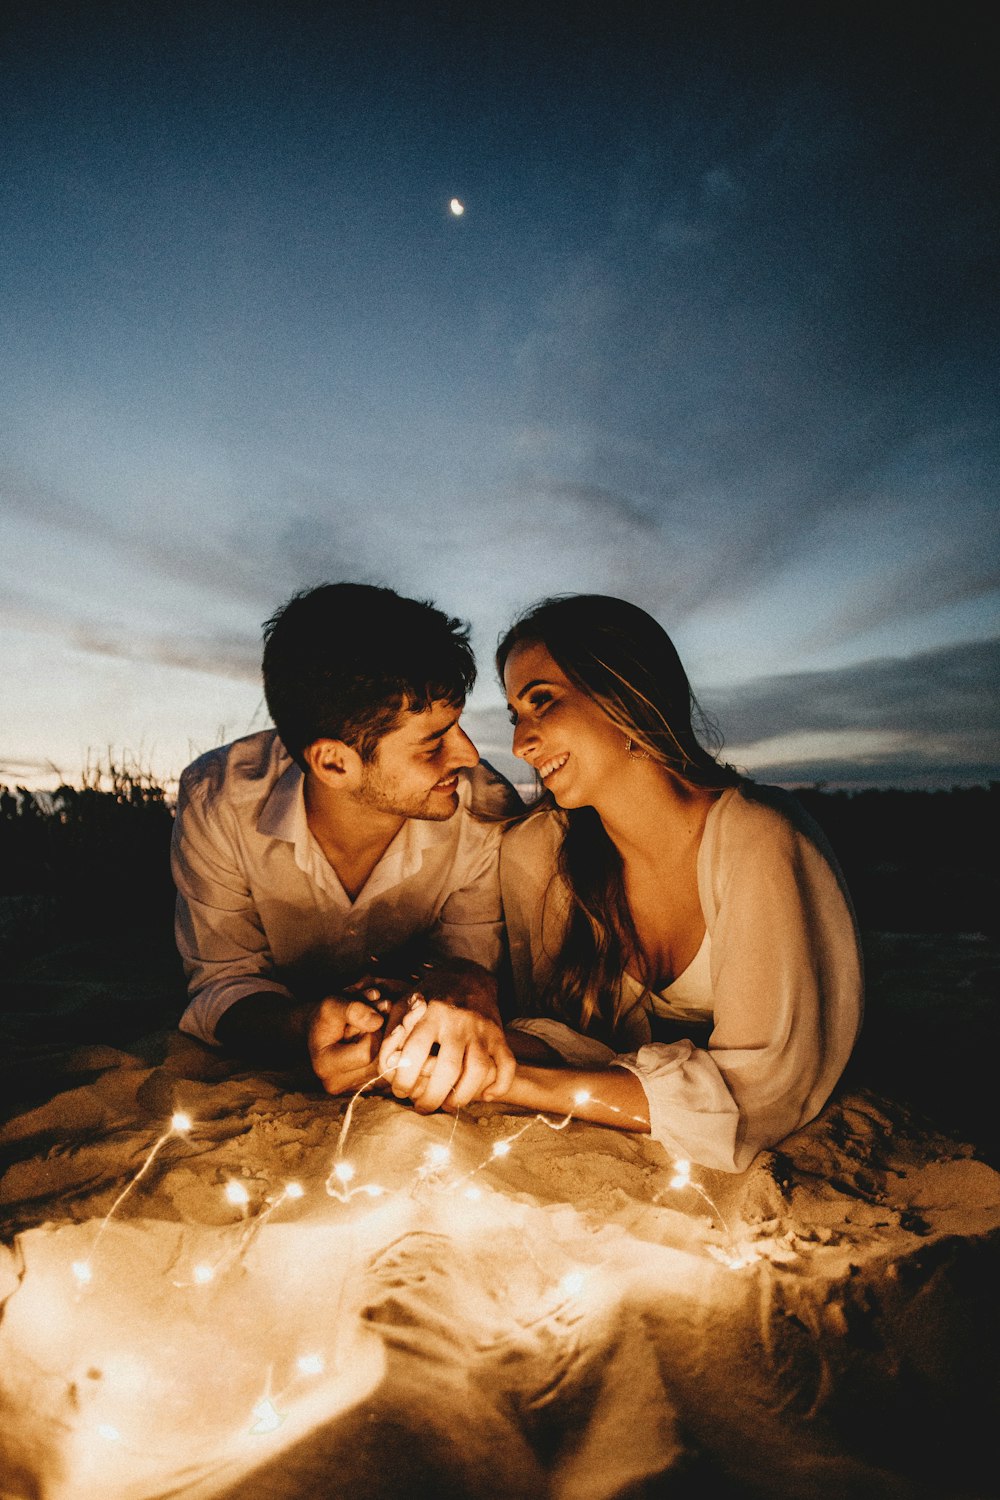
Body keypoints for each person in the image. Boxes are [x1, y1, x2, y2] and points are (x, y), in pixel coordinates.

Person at [395, 593, 861, 1173]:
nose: (520, 744)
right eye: (517, 715)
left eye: (543, 703)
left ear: (626, 696)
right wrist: (444, 1040)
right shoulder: (538, 852)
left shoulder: (758, 837)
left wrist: (512, 1082)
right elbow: (565, 1034)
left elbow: (762, 1090)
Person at [173, 582, 521, 1109]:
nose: (468, 755)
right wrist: (303, 1026)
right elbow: (222, 984)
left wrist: (464, 984)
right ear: (334, 763)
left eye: (458, 726)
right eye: (432, 742)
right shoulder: (218, 802)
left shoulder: (484, 811)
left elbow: (468, 965)